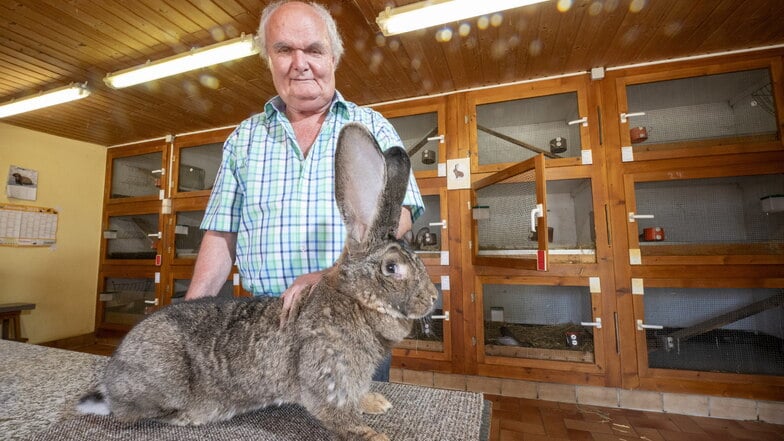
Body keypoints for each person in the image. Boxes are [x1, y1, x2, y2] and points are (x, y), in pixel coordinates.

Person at [184, 0, 425, 382]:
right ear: (269, 59)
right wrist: (189, 319)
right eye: (284, 50)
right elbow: (220, 235)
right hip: (262, 326)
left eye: (314, 49)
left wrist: (329, 277)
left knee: (343, 427)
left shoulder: (371, 127)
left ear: (333, 57)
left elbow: (398, 219)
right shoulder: (244, 139)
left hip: (351, 322)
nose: (300, 63)